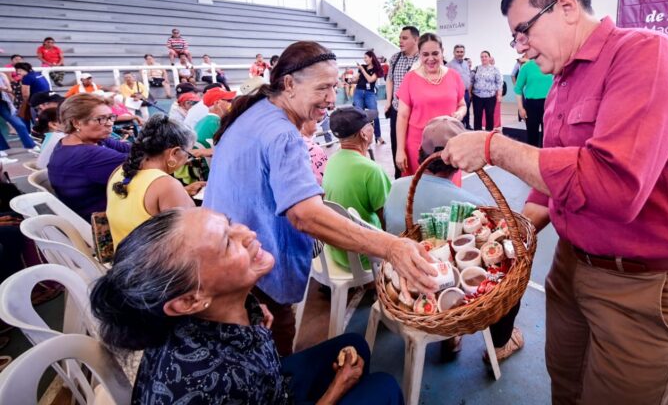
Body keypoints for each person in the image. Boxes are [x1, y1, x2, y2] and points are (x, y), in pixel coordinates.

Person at [442, 0, 668, 404]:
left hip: (645, 282)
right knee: (565, 386)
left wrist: (495, 147)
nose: (520, 47)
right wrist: (509, 234)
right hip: (572, 265)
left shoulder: (646, 55)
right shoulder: (562, 82)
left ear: (566, 7)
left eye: (523, 32)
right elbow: (552, 180)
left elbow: (614, 185)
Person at [203, 41, 436, 355]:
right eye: (323, 88)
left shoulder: (255, 112)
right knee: (274, 351)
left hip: (226, 266)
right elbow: (305, 214)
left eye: (335, 87)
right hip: (252, 275)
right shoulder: (283, 134)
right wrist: (391, 246)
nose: (331, 98)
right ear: (289, 84)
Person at [89, 207, 404, 405]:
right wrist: (338, 388)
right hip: (259, 388)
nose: (248, 233)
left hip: (270, 386)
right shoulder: (217, 381)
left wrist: (253, 322)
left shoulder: (205, 313)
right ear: (189, 300)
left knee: (353, 344)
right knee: (385, 386)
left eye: (229, 224)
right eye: (227, 243)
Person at [385, 116, 524, 361]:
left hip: (398, 283)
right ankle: (500, 344)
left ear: (420, 151)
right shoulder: (473, 206)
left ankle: (451, 338)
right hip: (443, 298)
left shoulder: (397, 187)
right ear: (457, 163)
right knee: (508, 282)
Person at [107, 115, 204, 246]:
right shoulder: (166, 184)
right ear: (174, 153)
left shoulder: (119, 171)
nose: (187, 160)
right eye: (188, 155)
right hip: (152, 265)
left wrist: (184, 192)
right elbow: (190, 240)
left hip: (126, 260)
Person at [323, 107, 391, 270]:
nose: (373, 128)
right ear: (363, 134)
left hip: (337, 250)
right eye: (371, 124)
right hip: (363, 256)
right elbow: (387, 220)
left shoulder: (332, 161)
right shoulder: (371, 170)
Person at [48, 93, 131, 219]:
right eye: (101, 119)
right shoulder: (89, 154)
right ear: (77, 123)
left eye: (111, 117)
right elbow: (148, 161)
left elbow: (131, 149)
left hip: (82, 215)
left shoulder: (69, 142)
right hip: (104, 223)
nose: (109, 123)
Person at [395, 32, 466, 177]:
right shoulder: (410, 78)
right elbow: (402, 116)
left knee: (449, 190)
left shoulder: (454, 76)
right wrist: (400, 149)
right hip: (418, 145)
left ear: (442, 52)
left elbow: (462, 104)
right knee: (420, 190)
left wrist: (460, 112)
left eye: (435, 53)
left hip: (449, 143)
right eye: (425, 54)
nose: (430, 59)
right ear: (419, 54)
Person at [385, 26, 420, 179]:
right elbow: (390, 80)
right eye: (400, 38)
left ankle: (416, 175)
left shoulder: (422, 60)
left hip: (416, 112)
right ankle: (399, 178)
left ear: (416, 40)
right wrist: (388, 101)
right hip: (397, 109)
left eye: (404, 38)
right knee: (396, 145)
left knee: (414, 145)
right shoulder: (395, 58)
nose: (400, 41)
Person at [514, 57, 552, 147]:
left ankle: (546, 158)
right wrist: (520, 108)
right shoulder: (526, 67)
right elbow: (518, 88)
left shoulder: (552, 64)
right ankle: (532, 159)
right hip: (531, 105)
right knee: (532, 137)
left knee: (547, 137)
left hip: (549, 105)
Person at [352, 50, 385, 143]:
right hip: (358, 92)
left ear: (371, 58)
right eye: (364, 58)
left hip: (369, 93)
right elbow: (357, 79)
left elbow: (370, 80)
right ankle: (359, 135)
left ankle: (378, 136)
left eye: (366, 57)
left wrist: (362, 70)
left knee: (374, 114)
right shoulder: (362, 67)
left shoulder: (376, 69)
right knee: (358, 114)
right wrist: (352, 79)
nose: (364, 59)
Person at [0, 71, 37, 154]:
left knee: (19, 124)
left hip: (3, 103)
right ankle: (2, 150)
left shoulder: (2, 75)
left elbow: (9, 89)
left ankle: (31, 146)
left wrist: (3, 89)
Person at [470, 51, 502, 131]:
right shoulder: (476, 68)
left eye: (485, 56)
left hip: (490, 97)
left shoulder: (495, 69)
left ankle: (489, 133)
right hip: (477, 96)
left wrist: (499, 95)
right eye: (482, 56)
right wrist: (470, 93)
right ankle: (477, 132)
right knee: (477, 115)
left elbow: (499, 83)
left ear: (489, 57)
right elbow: (471, 81)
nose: (484, 58)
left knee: (489, 115)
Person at [446, 45, 472, 129]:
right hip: (456, 93)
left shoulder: (466, 63)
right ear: (454, 52)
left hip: (466, 92)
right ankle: (457, 129)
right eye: (457, 52)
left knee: (466, 110)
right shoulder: (449, 65)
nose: (460, 54)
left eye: (461, 52)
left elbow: (468, 77)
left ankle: (466, 126)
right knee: (458, 112)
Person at [301, 118, 328, 184]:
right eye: (312, 117)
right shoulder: (312, 148)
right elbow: (324, 180)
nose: (316, 120)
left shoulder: (297, 143)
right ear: (302, 124)